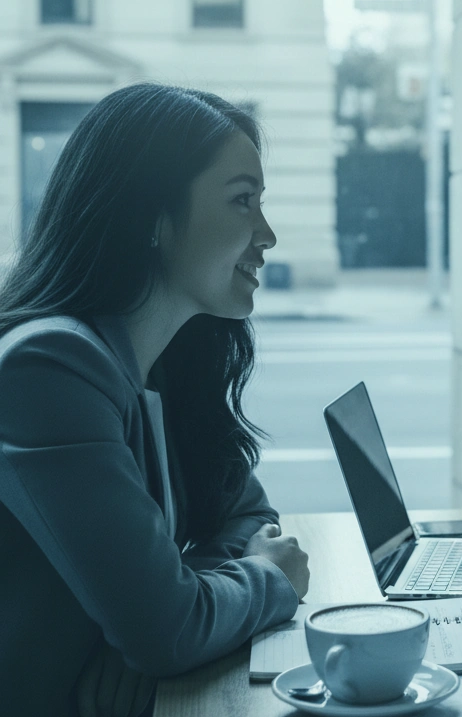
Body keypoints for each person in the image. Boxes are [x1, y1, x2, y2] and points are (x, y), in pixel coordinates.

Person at [0, 84, 310, 717]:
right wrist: (262, 582)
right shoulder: (49, 367)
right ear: (151, 217)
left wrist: (171, 606)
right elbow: (169, 633)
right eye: (242, 202)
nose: (268, 235)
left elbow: (249, 514)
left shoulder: (167, 358)